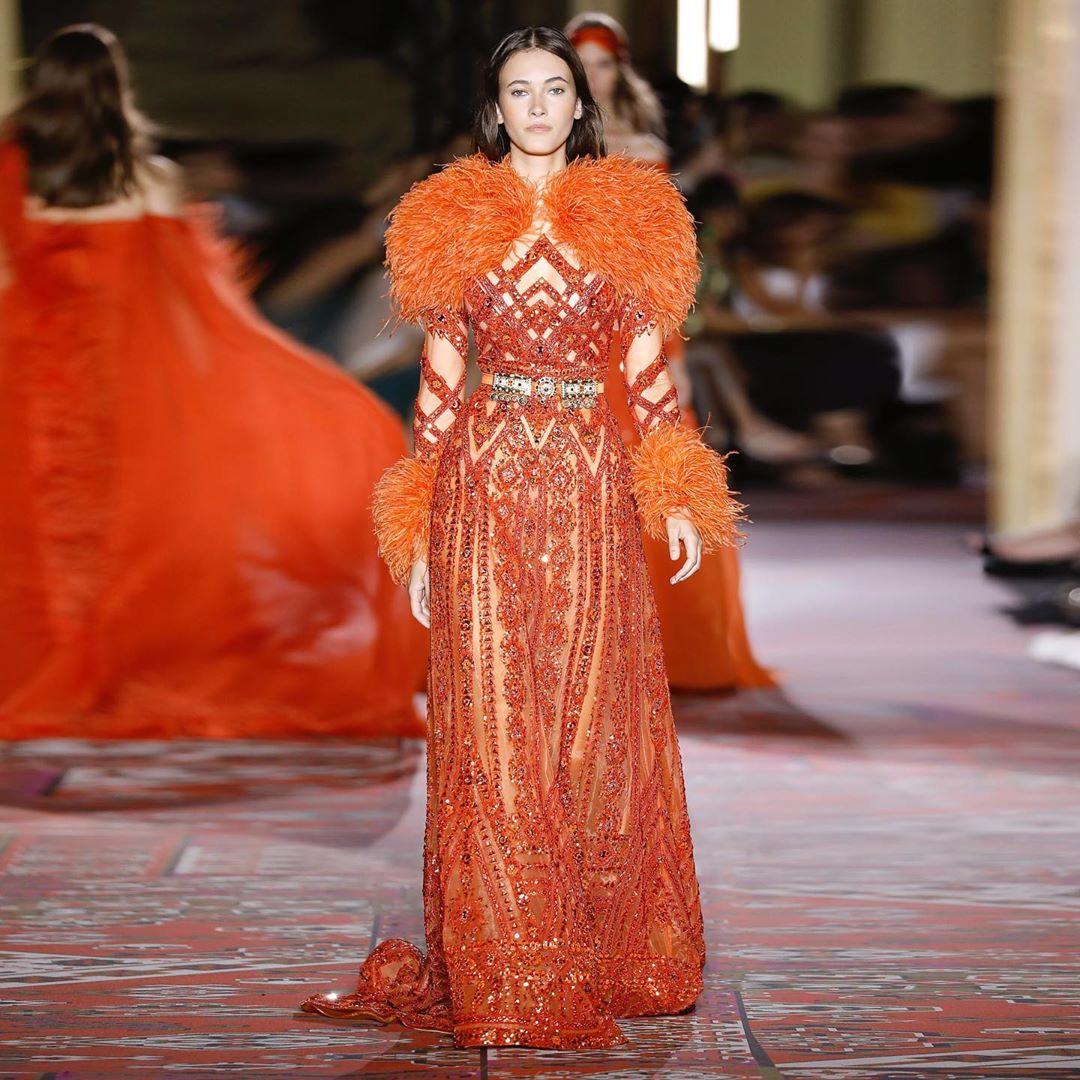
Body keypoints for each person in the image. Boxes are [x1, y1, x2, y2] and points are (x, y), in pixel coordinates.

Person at [299, 27, 744, 1048]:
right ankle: (508, 964)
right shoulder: (451, 215)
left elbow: (646, 368)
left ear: (578, 107)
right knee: (490, 715)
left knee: (590, 714)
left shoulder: (632, 213)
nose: (539, 107)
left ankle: (601, 948)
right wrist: (416, 523)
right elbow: (443, 379)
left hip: (590, 484)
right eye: (519, 91)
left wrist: (674, 488)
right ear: (496, 110)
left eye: (556, 90)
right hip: (483, 488)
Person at [0, 25, 426, 738]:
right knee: (137, 534)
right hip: (133, 383)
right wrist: (276, 372)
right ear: (116, 88)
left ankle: (44, 667)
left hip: (32, 375)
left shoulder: (11, 167)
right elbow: (195, 301)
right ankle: (113, 665)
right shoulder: (151, 177)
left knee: (36, 534)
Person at [566, 11, 774, 690]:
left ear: (616, 72)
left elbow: (661, 262)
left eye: (600, 65)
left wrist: (670, 360)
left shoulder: (639, 149)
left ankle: (644, 647)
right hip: (550, 327)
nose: (589, 77)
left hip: (625, 330)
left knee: (642, 473)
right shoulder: (530, 142)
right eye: (578, 64)